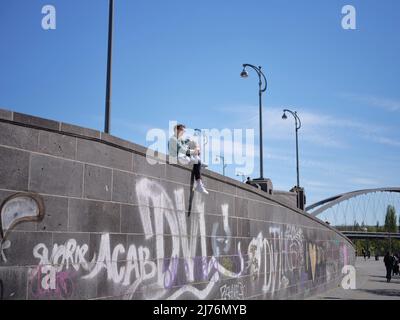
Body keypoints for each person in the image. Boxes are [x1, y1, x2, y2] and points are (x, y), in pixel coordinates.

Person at [168, 124, 208, 194]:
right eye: (183, 130)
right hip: (179, 158)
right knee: (197, 161)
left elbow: (187, 142)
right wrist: (194, 151)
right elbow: (182, 150)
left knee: (192, 144)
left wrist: (195, 145)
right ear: (177, 130)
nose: (184, 132)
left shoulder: (179, 139)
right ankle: (199, 184)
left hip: (183, 157)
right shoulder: (173, 139)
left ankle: (199, 183)